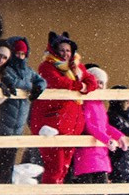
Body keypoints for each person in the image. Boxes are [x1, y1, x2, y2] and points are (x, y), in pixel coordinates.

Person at [29, 32, 94, 185]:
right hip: (52, 123)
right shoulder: (47, 66)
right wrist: (80, 86)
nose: (65, 54)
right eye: (62, 50)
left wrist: (85, 86)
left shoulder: (77, 67)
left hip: (71, 124)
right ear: (55, 51)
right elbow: (59, 82)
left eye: (68, 50)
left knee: (64, 166)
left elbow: (91, 80)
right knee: (54, 166)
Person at [0, 37, 43, 185]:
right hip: (4, 122)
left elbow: (41, 80)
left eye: (22, 54)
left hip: (18, 125)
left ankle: (5, 189)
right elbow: (14, 82)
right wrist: (29, 86)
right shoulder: (8, 69)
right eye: (17, 53)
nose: (20, 57)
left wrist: (38, 87)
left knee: (9, 160)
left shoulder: (28, 71)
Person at [70, 66, 129, 193]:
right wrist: (107, 139)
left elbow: (105, 126)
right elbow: (90, 126)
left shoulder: (99, 103)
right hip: (87, 153)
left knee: (101, 191)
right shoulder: (85, 101)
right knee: (88, 194)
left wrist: (119, 136)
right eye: (98, 82)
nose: (101, 86)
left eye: (103, 83)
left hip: (100, 153)